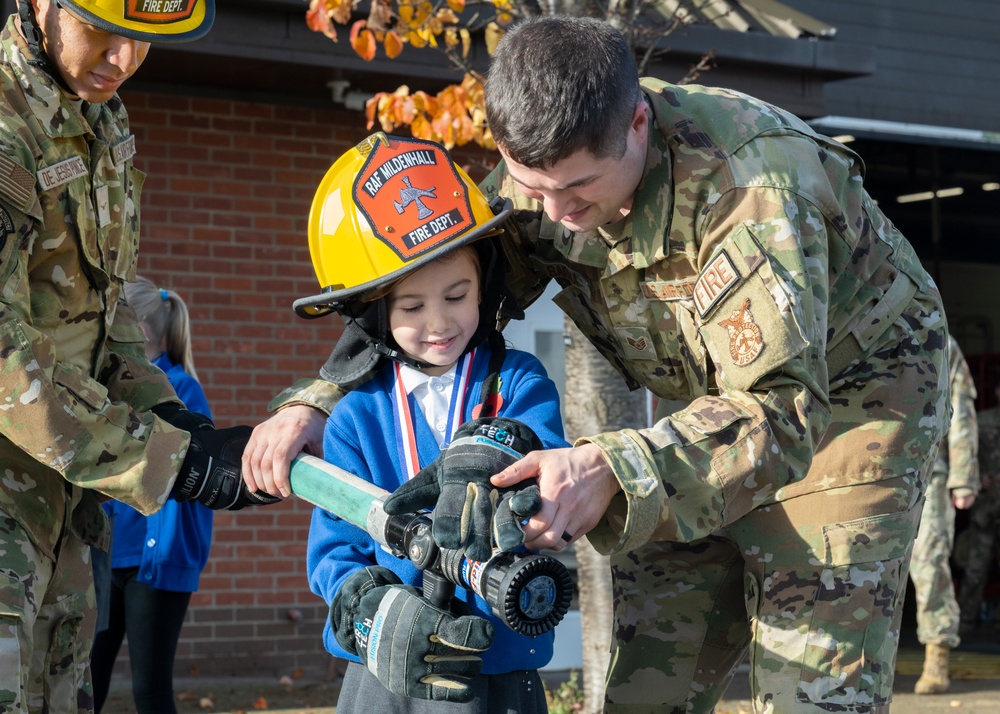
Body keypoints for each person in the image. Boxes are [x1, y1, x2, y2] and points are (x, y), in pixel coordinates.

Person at [245, 15, 950, 713]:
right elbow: (435, 287)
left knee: (813, 685)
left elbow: (782, 412)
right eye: (534, 187)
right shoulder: (544, 176)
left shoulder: (753, 188)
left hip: (850, 404)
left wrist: (612, 465)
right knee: (650, 680)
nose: (556, 212)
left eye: (579, 188)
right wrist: (315, 400)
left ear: (637, 124)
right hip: (710, 408)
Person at [0, 3, 283, 712]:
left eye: (145, 41)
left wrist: (177, 422)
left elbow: (108, 312)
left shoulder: (102, 121)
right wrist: (165, 460)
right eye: (105, 32)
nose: (124, 60)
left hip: (61, 512)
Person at [301, 134, 566, 711]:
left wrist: (505, 449)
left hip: (498, 665)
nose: (440, 323)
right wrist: (363, 604)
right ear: (375, 314)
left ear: (486, 286)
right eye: (412, 308)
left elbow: (547, 457)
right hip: (389, 671)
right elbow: (333, 550)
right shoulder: (354, 418)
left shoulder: (518, 381)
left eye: (458, 295)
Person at [90, 278, 216, 713]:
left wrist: (156, 555)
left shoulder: (182, 390)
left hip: (154, 567)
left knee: (151, 689)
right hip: (109, 560)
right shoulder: (113, 387)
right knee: (86, 680)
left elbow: (179, 480)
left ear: (139, 329)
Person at [907, 334, 978, 695]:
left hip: (927, 470)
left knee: (929, 561)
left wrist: (964, 476)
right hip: (862, 471)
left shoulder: (938, 334)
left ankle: (937, 653)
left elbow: (961, 407)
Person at [957, 383, 1000, 632]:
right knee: (975, 567)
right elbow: (965, 454)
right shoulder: (980, 420)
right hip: (984, 505)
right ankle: (964, 622)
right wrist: (977, 479)